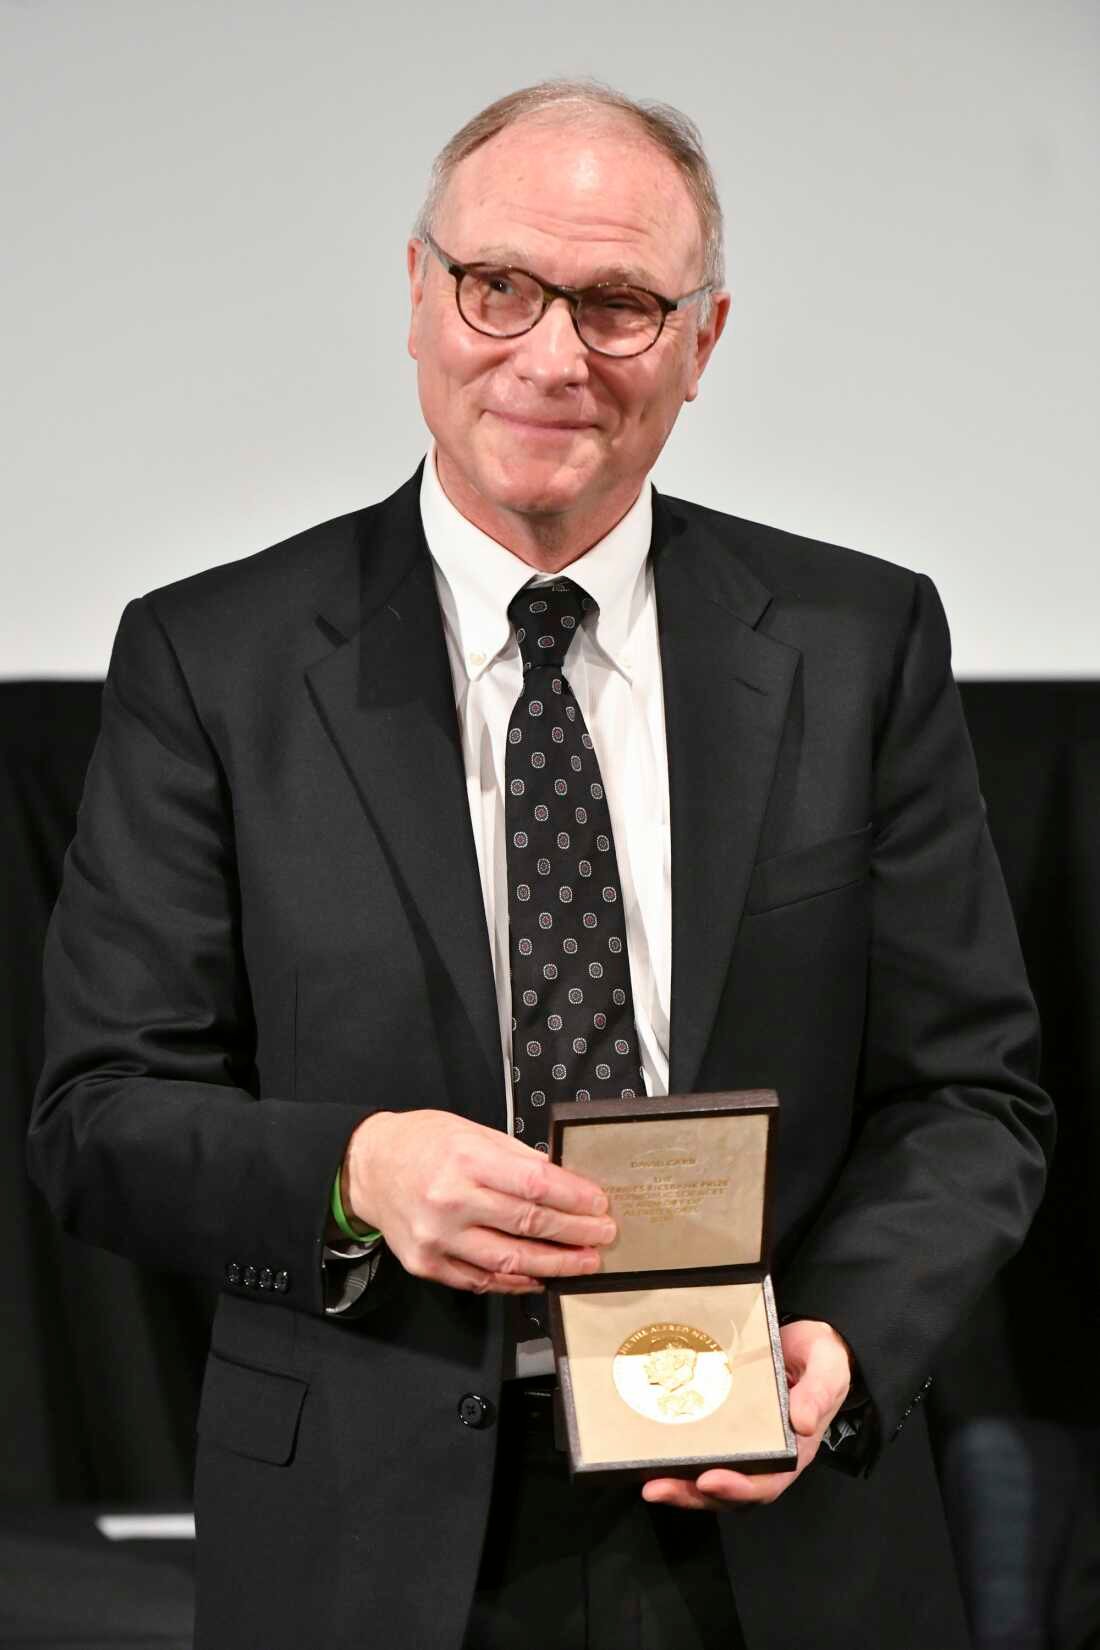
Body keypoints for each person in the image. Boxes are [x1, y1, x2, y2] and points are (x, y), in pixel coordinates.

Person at [28, 80, 1053, 1650]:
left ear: (703, 343)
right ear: (421, 296)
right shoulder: (211, 659)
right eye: (502, 286)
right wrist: (357, 1174)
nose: (554, 355)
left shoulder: (860, 645)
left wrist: (837, 1330)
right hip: (364, 1544)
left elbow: (973, 1092)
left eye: (622, 302)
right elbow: (97, 1114)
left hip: (777, 1532)